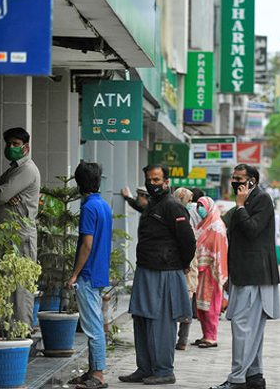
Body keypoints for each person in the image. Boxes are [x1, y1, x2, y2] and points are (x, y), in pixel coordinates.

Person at [119, 164, 196, 385]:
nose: (152, 184)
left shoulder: (173, 206)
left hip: (165, 272)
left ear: (166, 182)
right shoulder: (152, 203)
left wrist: (181, 264)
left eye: (156, 180)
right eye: (149, 180)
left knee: (161, 323)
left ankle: (163, 371)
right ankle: (144, 368)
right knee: (141, 319)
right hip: (145, 269)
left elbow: (188, 241)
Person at [210, 164, 280, 389]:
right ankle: (254, 376)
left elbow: (252, 230)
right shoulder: (250, 200)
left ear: (252, 181)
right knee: (251, 330)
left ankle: (237, 379)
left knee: (243, 328)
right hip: (244, 275)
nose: (235, 183)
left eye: (240, 179)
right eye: (233, 178)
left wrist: (240, 207)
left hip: (255, 275)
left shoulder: (261, 200)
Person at [0, 127, 40, 330]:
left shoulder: (27, 170)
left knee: (21, 287)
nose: (11, 147)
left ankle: (23, 332)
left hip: (21, 236)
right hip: (9, 237)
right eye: (8, 144)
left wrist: (0, 193)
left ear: (26, 147)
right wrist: (0, 192)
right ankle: (10, 330)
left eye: (16, 144)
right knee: (8, 284)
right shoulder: (13, 169)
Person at [65, 162, 112, 389]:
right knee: (95, 324)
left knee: (93, 328)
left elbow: (86, 244)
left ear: (79, 183)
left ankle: (99, 375)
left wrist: (74, 274)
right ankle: (93, 371)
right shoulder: (103, 205)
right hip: (99, 272)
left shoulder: (88, 207)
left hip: (88, 274)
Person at [193, 196, 228, 349]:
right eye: (198, 205)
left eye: (202, 205)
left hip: (212, 270)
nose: (199, 208)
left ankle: (212, 337)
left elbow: (218, 249)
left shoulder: (216, 225)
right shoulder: (203, 224)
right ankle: (205, 335)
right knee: (201, 306)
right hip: (200, 270)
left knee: (211, 305)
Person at [172, 187, 198, 352]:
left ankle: (182, 340)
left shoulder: (185, 216)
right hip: (182, 266)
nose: (190, 204)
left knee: (185, 303)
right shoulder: (178, 216)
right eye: (188, 201)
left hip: (187, 267)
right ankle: (179, 339)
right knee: (179, 304)